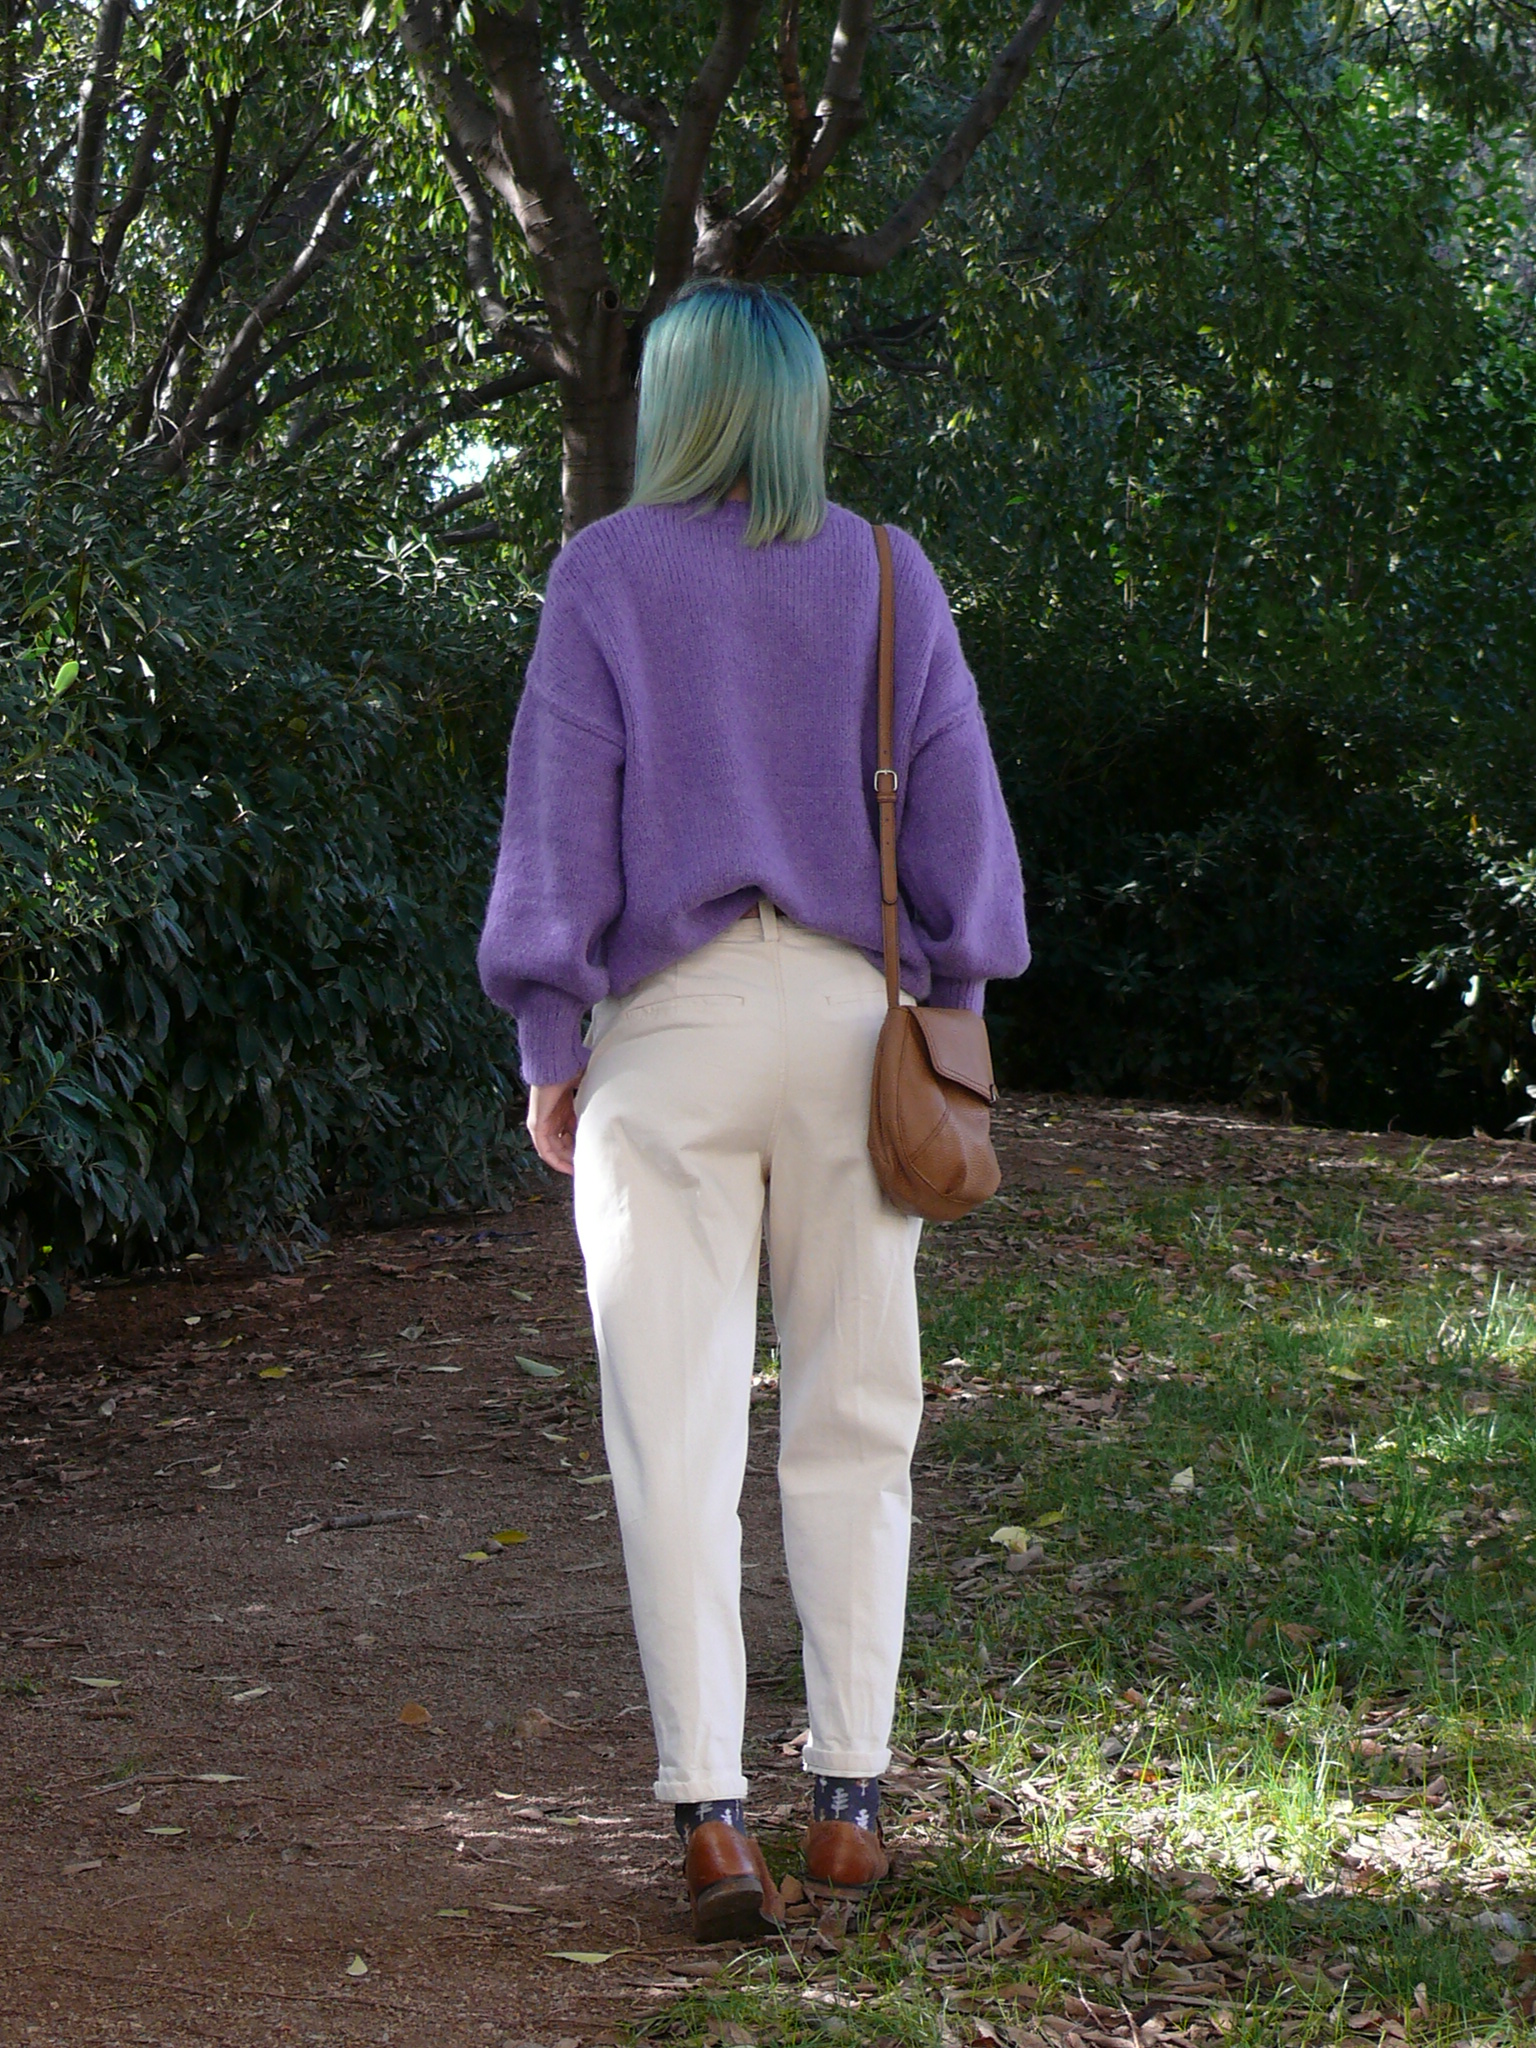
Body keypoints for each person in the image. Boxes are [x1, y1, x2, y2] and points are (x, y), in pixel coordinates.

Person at [478, 279, 1029, 1942]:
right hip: (859, 1027)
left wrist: (551, 1042)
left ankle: (713, 1821)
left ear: (675, 402)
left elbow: (558, 822)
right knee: (857, 1416)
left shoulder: (605, 574)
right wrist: (957, 1005)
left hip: (672, 1031)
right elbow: (966, 838)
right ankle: (849, 1805)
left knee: (676, 1433)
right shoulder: (886, 570)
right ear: (798, 406)